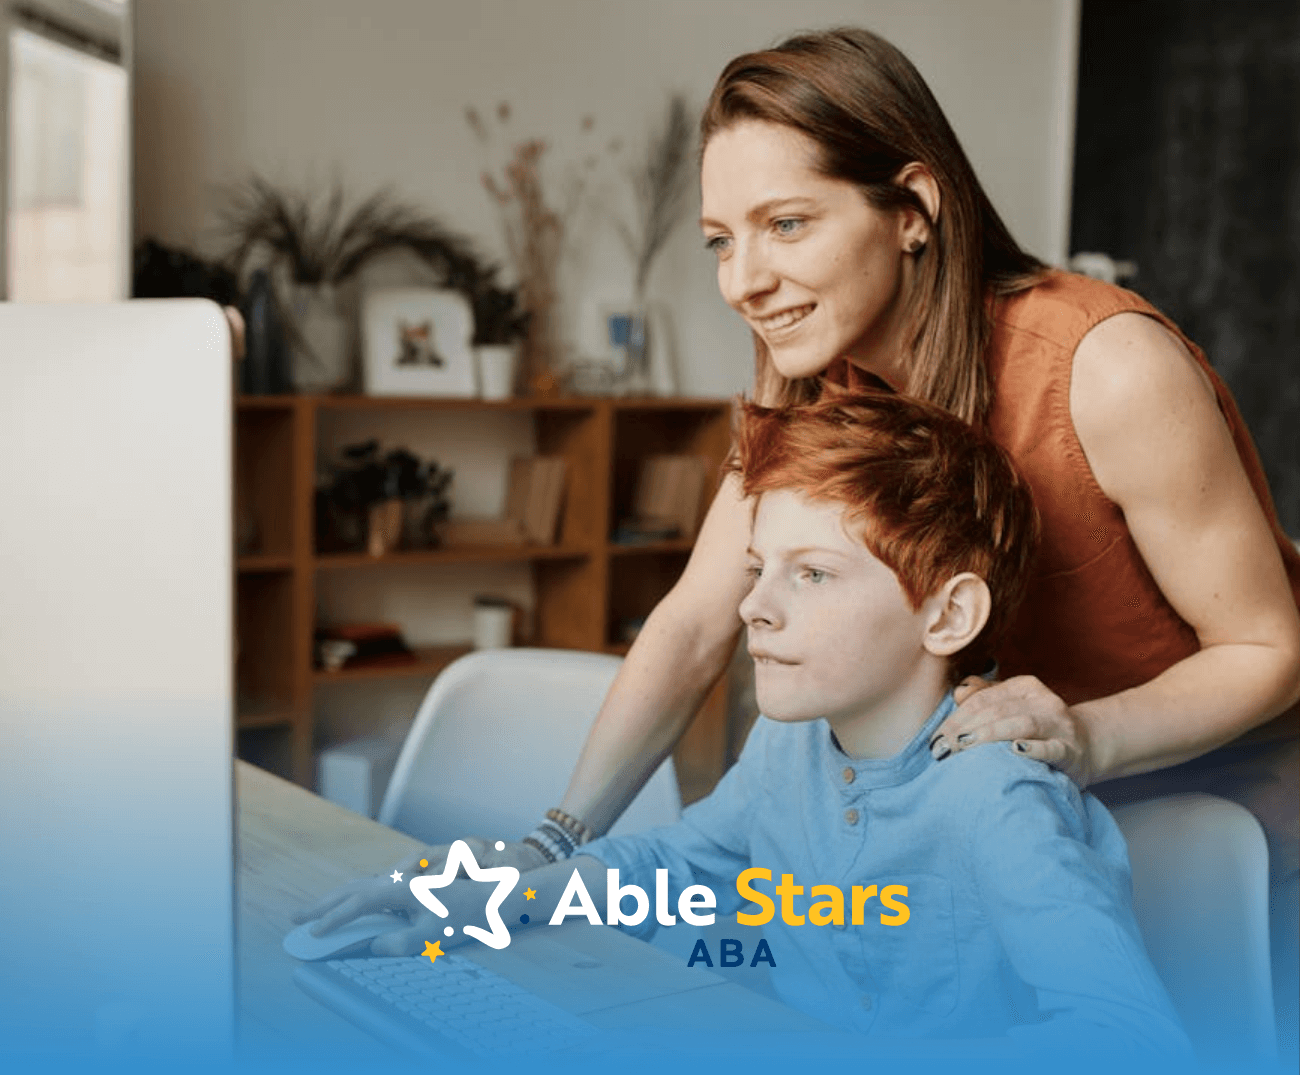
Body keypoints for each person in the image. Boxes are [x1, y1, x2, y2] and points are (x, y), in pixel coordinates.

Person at [306, 25, 1300, 1042]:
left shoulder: (1106, 366)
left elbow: (1268, 649)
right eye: (720, 240)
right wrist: (551, 847)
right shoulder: (808, 387)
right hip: (995, 795)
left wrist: (1082, 738)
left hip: (1198, 799)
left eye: (785, 224)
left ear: (913, 209)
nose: (741, 280)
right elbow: (694, 622)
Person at [302, 391, 1192, 1055]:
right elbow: (679, 866)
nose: (754, 609)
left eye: (810, 574)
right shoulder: (791, 742)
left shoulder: (994, 795)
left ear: (948, 616)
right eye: (758, 568)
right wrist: (496, 895)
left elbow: (1132, 1037)